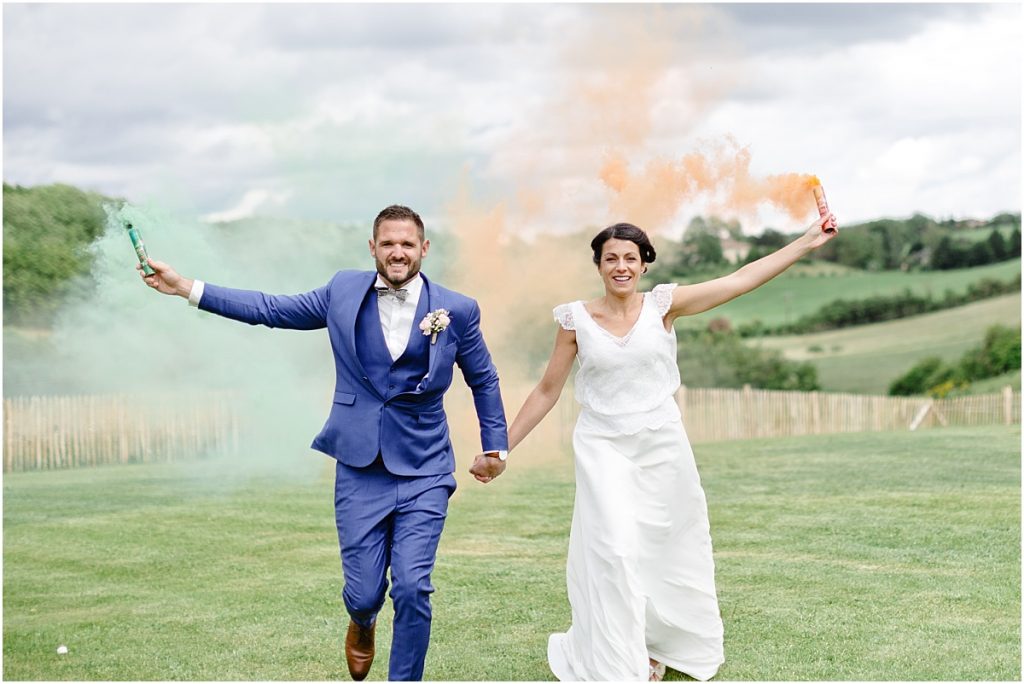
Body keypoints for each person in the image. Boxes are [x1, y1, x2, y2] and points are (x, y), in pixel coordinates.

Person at [138, 204, 510, 681]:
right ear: (372, 247)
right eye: (388, 243)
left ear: (424, 248)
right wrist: (186, 287)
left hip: (425, 467)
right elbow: (271, 310)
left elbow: (483, 378)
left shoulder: (457, 310)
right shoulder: (342, 291)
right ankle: (362, 621)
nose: (398, 252)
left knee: (413, 587)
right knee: (364, 593)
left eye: (407, 244)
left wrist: (495, 447)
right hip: (358, 466)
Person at [503, 212, 839, 681]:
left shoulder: (663, 305)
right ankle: (621, 660)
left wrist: (806, 241)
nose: (621, 266)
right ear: (598, 266)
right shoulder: (575, 320)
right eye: (611, 259)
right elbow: (546, 391)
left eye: (630, 258)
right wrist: (502, 448)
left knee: (667, 546)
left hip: (662, 443)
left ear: (644, 264)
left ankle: (656, 645)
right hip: (602, 446)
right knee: (614, 549)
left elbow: (740, 280)